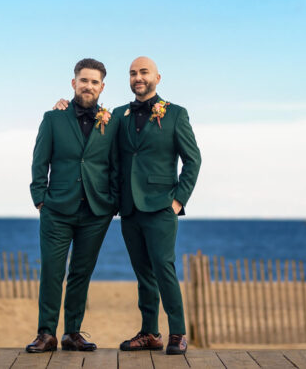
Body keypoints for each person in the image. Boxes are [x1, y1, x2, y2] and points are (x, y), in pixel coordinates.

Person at [55, 56, 201, 355]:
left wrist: (178, 200)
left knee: (164, 268)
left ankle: (178, 332)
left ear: (157, 77)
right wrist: (63, 108)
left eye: (144, 72)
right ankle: (150, 332)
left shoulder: (176, 115)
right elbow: (91, 129)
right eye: (133, 73)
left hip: (162, 206)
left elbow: (193, 160)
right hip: (129, 209)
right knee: (143, 273)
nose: (138, 78)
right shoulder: (117, 115)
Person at [26, 58, 119, 353]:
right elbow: (40, 161)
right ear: (73, 83)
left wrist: (112, 202)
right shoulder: (53, 118)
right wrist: (40, 198)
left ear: (102, 87)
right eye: (84, 80)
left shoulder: (112, 122)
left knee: (81, 273)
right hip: (57, 210)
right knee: (53, 271)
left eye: (94, 82)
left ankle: (72, 334)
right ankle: (46, 333)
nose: (88, 86)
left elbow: (116, 165)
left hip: (96, 211)